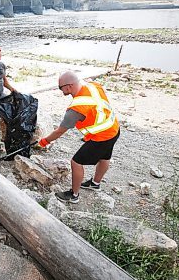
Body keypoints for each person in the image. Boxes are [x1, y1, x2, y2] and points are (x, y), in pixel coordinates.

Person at [38, 70, 120, 204]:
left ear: (69, 86)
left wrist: (44, 141)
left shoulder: (75, 109)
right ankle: (95, 183)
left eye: (61, 87)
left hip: (102, 137)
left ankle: (74, 195)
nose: (61, 90)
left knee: (76, 162)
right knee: (105, 157)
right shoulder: (93, 86)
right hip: (114, 128)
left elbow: (60, 131)